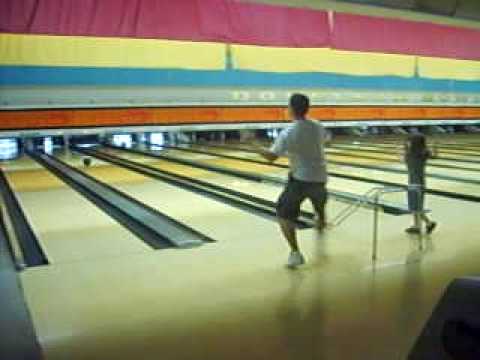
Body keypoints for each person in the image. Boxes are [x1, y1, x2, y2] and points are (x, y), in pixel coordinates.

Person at [258, 94, 329, 268]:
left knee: (283, 214)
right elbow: (325, 140)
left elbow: (271, 157)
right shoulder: (317, 125)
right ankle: (321, 220)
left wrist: (254, 146)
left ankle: (295, 253)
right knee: (318, 201)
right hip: (320, 176)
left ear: (291, 109)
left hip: (300, 179)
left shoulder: (288, 132)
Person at [404, 133, 437, 235]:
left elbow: (403, 157)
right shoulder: (423, 153)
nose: (407, 142)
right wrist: (435, 147)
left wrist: (405, 148)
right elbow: (434, 156)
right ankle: (416, 226)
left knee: (416, 207)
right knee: (415, 206)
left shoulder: (411, 154)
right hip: (419, 182)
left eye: (409, 141)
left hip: (415, 182)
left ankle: (429, 223)